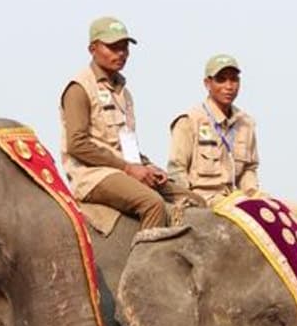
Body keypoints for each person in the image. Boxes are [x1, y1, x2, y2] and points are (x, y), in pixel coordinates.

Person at [59, 16, 187, 229]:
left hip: (126, 170)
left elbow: (126, 144)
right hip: (94, 175)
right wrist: (128, 168)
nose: (120, 54)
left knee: (191, 200)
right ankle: (146, 263)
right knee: (152, 203)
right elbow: (77, 144)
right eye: (113, 47)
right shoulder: (79, 88)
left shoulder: (123, 93)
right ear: (92, 48)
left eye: (124, 48)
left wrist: (147, 166)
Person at [167, 54, 259, 205]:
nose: (229, 86)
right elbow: (177, 169)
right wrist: (188, 202)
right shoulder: (190, 121)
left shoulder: (245, 123)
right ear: (207, 83)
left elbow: (249, 169)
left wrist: (254, 195)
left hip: (236, 198)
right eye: (221, 79)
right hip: (205, 199)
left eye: (233, 79)